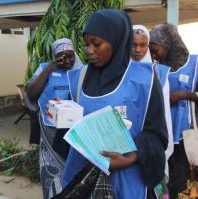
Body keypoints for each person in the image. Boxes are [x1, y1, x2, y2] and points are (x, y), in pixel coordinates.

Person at [61, 9, 168, 198]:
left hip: (126, 178)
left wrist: (130, 158)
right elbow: (72, 126)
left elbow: (156, 134)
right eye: (87, 44)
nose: (89, 51)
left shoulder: (145, 80)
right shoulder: (81, 77)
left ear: (117, 40)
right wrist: (60, 112)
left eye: (97, 44)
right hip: (82, 178)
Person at [25, 38, 83, 199]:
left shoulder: (83, 70)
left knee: (75, 183)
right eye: (62, 56)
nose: (68, 60)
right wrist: (50, 67)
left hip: (75, 136)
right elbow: (31, 94)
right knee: (52, 183)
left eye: (70, 56)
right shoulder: (44, 69)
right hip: (50, 136)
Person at [150, 23, 198, 199]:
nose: (152, 55)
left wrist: (183, 95)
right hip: (162, 136)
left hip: (185, 138)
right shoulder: (155, 68)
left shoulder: (195, 64)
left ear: (169, 43)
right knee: (162, 184)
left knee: (183, 183)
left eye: (155, 50)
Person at [131, 24, 173, 198]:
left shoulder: (160, 74)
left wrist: (164, 151)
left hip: (153, 143)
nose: (138, 50)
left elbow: (165, 117)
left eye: (143, 45)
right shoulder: (120, 72)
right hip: (129, 147)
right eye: (133, 44)